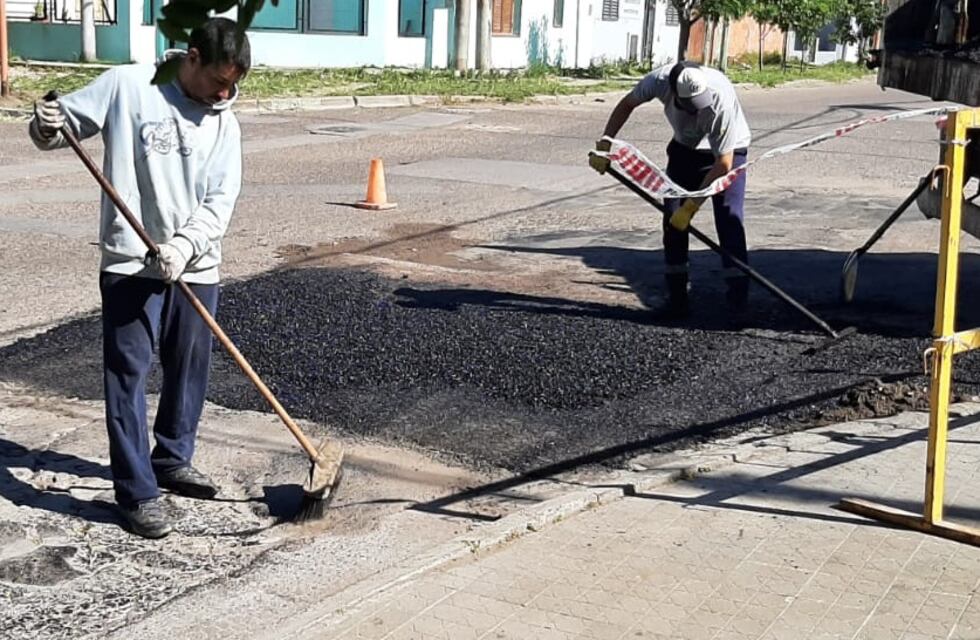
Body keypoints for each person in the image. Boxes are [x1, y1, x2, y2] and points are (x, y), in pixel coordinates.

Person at [28, 18, 250, 539]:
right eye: (218, 79)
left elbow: (221, 201)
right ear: (190, 58)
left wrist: (182, 247)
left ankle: (172, 457)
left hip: (196, 264)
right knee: (127, 375)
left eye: (233, 84)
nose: (224, 92)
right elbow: (60, 131)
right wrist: (45, 124)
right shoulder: (127, 86)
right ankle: (136, 490)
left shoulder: (226, 122)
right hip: (131, 262)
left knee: (189, 368)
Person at [592, 61, 752, 319]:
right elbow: (626, 104)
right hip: (684, 150)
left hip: (729, 153)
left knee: (729, 221)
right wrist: (605, 143)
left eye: (699, 104)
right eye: (689, 105)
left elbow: (723, 164)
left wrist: (691, 206)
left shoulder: (719, 97)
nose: (695, 111)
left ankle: (738, 304)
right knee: (673, 223)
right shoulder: (658, 81)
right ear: (673, 93)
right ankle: (677, 299)